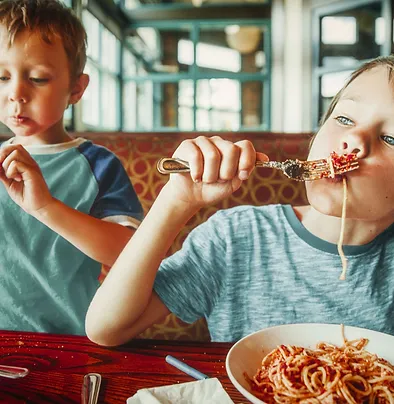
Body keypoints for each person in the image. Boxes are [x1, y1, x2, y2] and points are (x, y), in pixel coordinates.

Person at [86, 55, 394, 346]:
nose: (354, 140)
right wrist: (177, 200)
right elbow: (107, 328)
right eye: (343, 118)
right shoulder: (236, 237)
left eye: (391, 138)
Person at [0, 0, 143, 335]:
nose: (16, 93)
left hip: (71, 339)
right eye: (1, 76)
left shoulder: (97, 165)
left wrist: (47, 207)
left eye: (37, 78)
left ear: (75, 89)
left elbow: (130, 255)